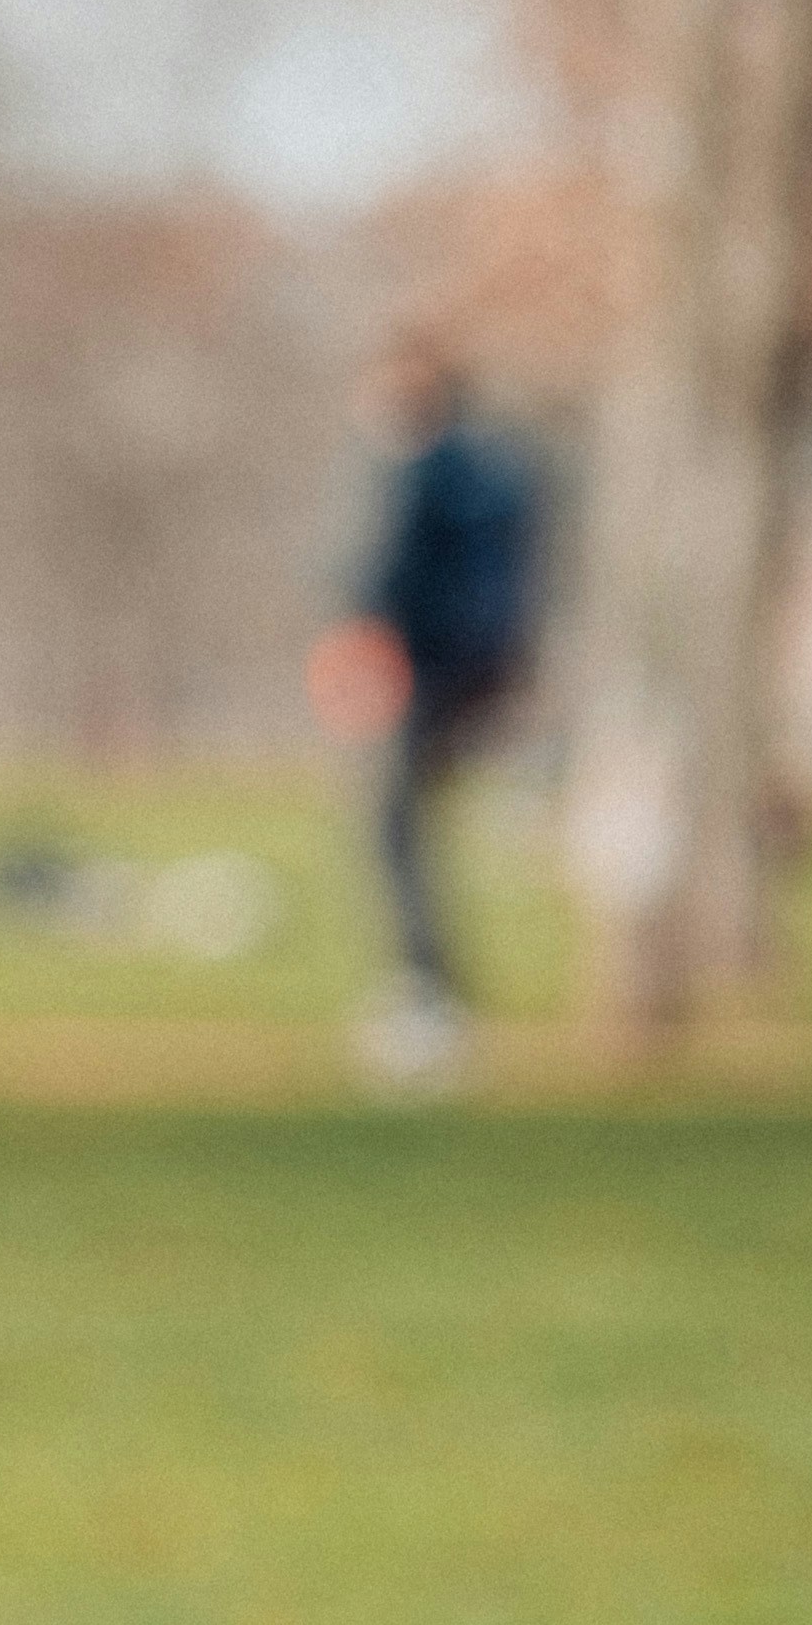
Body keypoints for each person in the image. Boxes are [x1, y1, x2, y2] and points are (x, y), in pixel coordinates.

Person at [315, 336, 542, 1090]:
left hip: (413, 679)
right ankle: (428, 987)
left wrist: (366, 655)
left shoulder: (420, 473)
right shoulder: (490, 475)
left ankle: (424, 992)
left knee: (393, 828)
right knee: (407, 830)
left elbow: (372, 580)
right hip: (457, 678)